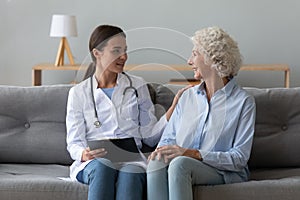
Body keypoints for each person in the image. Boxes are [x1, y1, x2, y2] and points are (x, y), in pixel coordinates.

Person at [66, 24, 190, 200]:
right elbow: (74, 142)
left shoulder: (138, 86)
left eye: (125, 50)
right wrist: (83, 154)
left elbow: (149, 136)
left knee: (130, 174)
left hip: (131, 159)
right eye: (116, 51)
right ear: (97, 53)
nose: (124, 57)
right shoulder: (78, 93)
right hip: (96, 162)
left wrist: (173, 108)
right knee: (104, 167)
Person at [147, 26, 256, 200]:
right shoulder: (186, 97)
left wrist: (193, 153)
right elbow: (168, 139)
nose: (189, 61)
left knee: (180, 164)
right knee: (156, 162)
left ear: (213, 59)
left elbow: (239, 158)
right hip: (182, 164)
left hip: (223, 172)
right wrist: (161, 151)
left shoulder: (243, 102)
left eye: (195, 54)